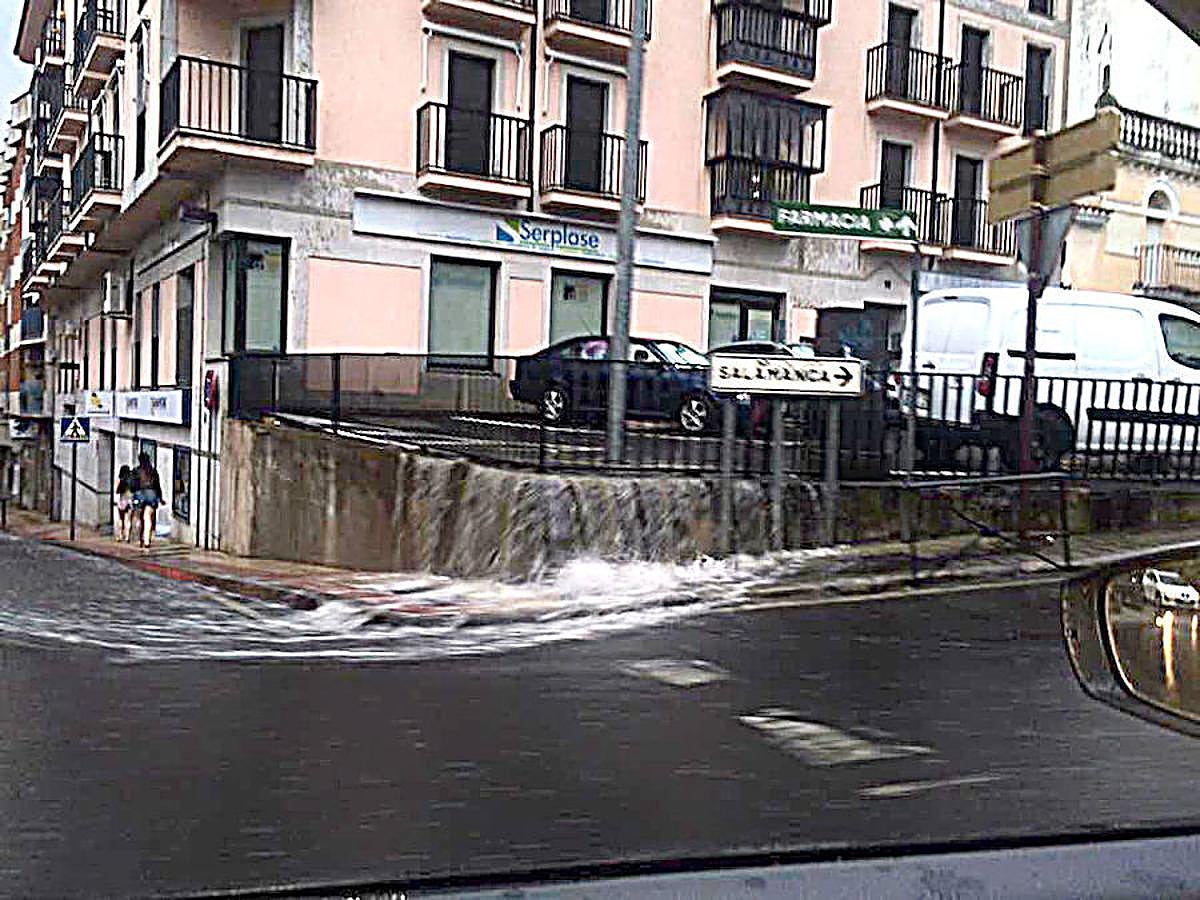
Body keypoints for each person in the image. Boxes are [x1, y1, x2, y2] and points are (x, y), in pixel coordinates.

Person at [133, 452, 164, 549]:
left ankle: (140, 539)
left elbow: (133, 485)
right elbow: (157, 486)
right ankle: (147, 541)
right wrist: (160, 498)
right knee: (148, 518)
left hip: (140, 494)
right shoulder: (153, 471)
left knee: (139, 518)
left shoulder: (136, 471)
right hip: (152, 494)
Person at [114, 465, 135, 543]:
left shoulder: (120, 479)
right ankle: (127, 537)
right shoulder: (131, 480)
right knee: (128, 520)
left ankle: (120, 535)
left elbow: (116, 491)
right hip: (130, 500)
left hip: (122, 500)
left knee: (121, 519)